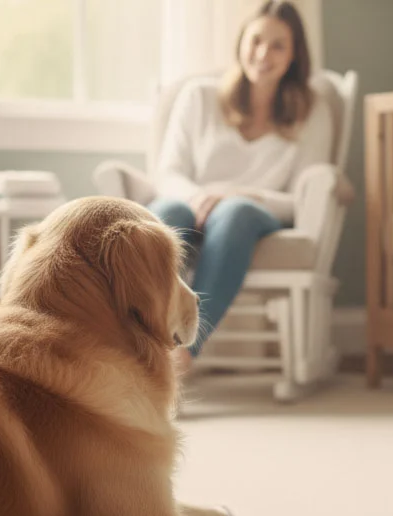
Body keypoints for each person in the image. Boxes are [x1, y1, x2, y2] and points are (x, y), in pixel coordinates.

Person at [149, 0, 333, 375]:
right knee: (166, 214)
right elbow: (168, 172)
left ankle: (183, 356)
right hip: (191, 203)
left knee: (235, 213)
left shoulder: (312, 111)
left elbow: (302, 198)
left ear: (295, 54)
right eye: (256, 41)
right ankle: (144, 345)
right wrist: (199, 196)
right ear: (241, 43)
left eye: (278, 45)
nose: (263, 54)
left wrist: (241, 195)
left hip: (254, 216)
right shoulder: (198, 96)